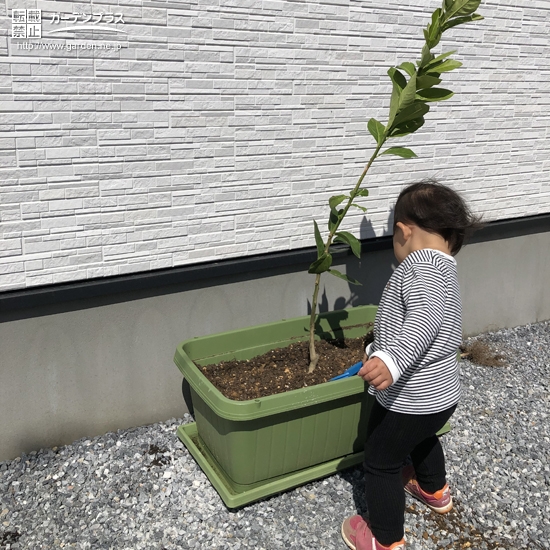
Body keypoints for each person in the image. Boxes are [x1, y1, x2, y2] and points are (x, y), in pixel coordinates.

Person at [341, 180, 483, 550]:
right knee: (423, 437)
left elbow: (424, 319)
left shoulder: (419, 267)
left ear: (403, 231)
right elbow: (419, 321)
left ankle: (385, 538)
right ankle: (434, 490)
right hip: (440, 397)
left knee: (381, 460)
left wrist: (390, 359)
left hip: (410, 399)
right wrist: (379, 344)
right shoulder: (444, 269)